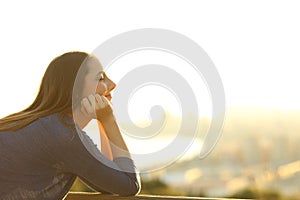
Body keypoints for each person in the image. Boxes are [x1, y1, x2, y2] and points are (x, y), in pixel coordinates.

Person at [0, 51, 141, 199]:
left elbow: (109, 180)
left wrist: (102, 121)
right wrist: (109, 121)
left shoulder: (25, 124)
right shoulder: (64, 135)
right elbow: (129, 185)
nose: (112, 84)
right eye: (100, 78)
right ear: (75, 88)